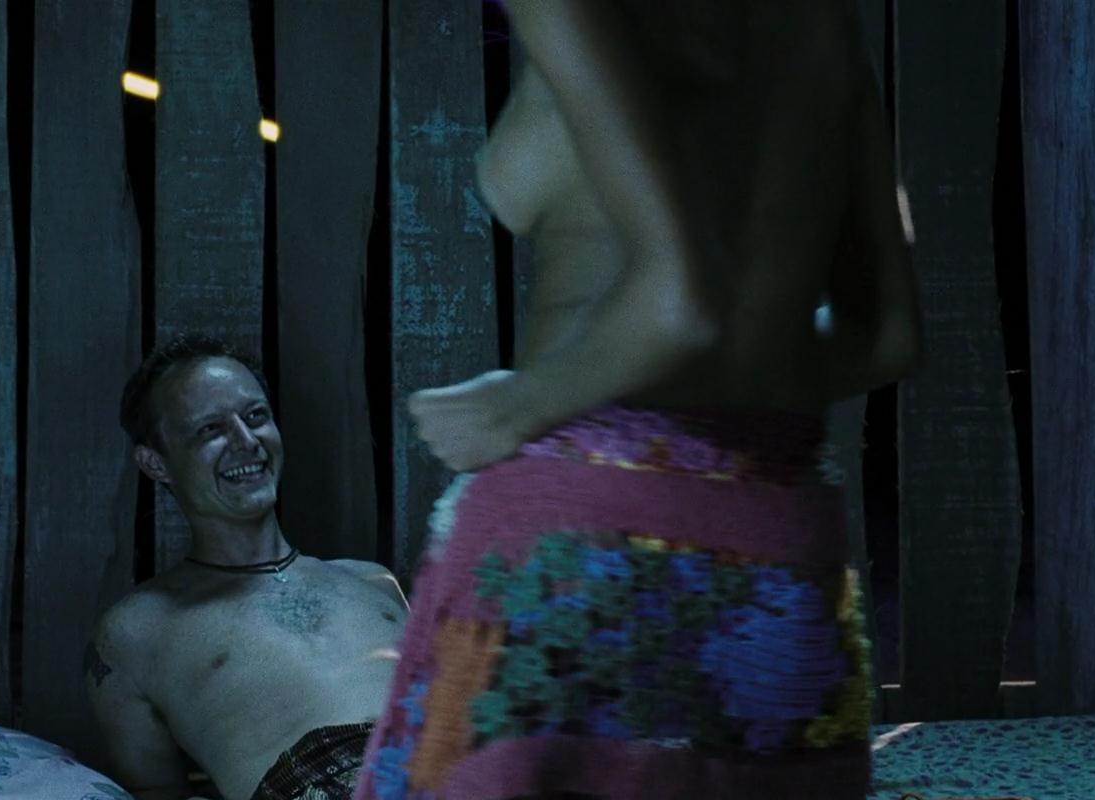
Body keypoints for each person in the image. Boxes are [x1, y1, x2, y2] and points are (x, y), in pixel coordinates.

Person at [353, 2, 921, 799]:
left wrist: (518, 405)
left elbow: (679, 303)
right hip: (782, 533)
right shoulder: (821, 25)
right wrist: (739, 390)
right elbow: (888, 336)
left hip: (588, 526)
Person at [88, 335, 412, 800]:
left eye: (256, 417)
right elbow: (154, 791)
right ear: (155, 463)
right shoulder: (135, 630)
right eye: (210, 429)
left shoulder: (372, 581)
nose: (246, 441)